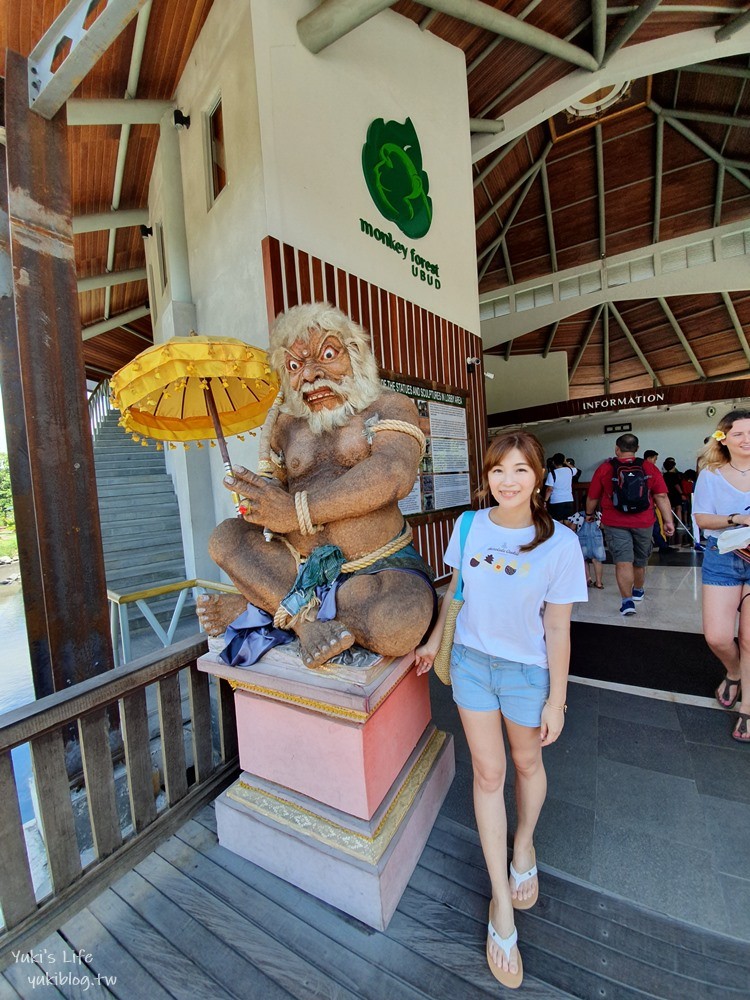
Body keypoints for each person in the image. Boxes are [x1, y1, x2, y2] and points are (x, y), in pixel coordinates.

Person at [414, 431, 588, 989]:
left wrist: (557, 699)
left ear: (539, 477)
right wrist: (433, 639)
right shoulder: (468, 526)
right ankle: (501, 906)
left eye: (519, 470)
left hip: (526, 674)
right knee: (487, 774)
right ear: (485, 476)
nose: (507, 481)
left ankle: (523, 843)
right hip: (469, 664)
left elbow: (558, 627)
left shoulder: (560, 543)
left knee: (528, 764)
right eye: (497, 471)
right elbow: (455, 592)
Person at [196, 302, 435, 669]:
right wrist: (256, 498)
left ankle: (261, 608)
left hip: (374, 570)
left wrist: (296, 511)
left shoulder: (390, 406)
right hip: (296, 567)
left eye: (326, 354)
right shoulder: (285, 426)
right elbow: (272, 496)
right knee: (225, 538)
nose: (309, 375)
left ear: (356, 355)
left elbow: (393, 474)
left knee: (398, 623)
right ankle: (303, 623)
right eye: (293, 366)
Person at [692, 409, 750, 742]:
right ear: (723, 438)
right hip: (723, 556)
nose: (745, 439)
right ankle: (734, 670)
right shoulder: (711, 473)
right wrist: (736, 520)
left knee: (749, 639)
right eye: (738, 433)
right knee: (717, 636)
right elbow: (701, 518)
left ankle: (747, 708)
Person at [585, 433, 675, 617]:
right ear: (637, 448)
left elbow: (593, 496)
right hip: (644, 521)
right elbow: (661, 496)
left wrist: (588, 514)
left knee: (622, 561)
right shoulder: (649, 467)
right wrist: (668, 521)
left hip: (615, 522)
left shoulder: (605, 468)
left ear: (617, 448)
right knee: (640, 561)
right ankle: (638, 590)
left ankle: (626, 602)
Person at [568, 508, 605, 588]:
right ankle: (599, 582)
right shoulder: (598, 514)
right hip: (596, 539)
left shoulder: (578, 514)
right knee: (597, 560)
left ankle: (588, 579)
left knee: (583, 560)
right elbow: (602, 526)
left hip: (583, 539)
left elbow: (572, 527)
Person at [544, 452, 577, 522]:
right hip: (569, 499)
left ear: (553, 462)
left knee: (559, 522)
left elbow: (549, 489)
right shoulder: (569, 470)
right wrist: (566, 462)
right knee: (568, 522)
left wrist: (545, 501)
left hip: (556, 501)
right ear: (563, 461)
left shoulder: (552, 473)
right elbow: (575, 469)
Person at [662, 457, 685, 542]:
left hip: (668, 494)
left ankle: (672, 522)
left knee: (670, 509)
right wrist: (681, 493)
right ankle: (680, 524)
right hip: (675, 494)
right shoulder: (675, 475)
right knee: (678, 508)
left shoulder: (664, 475)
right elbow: (677, 485)